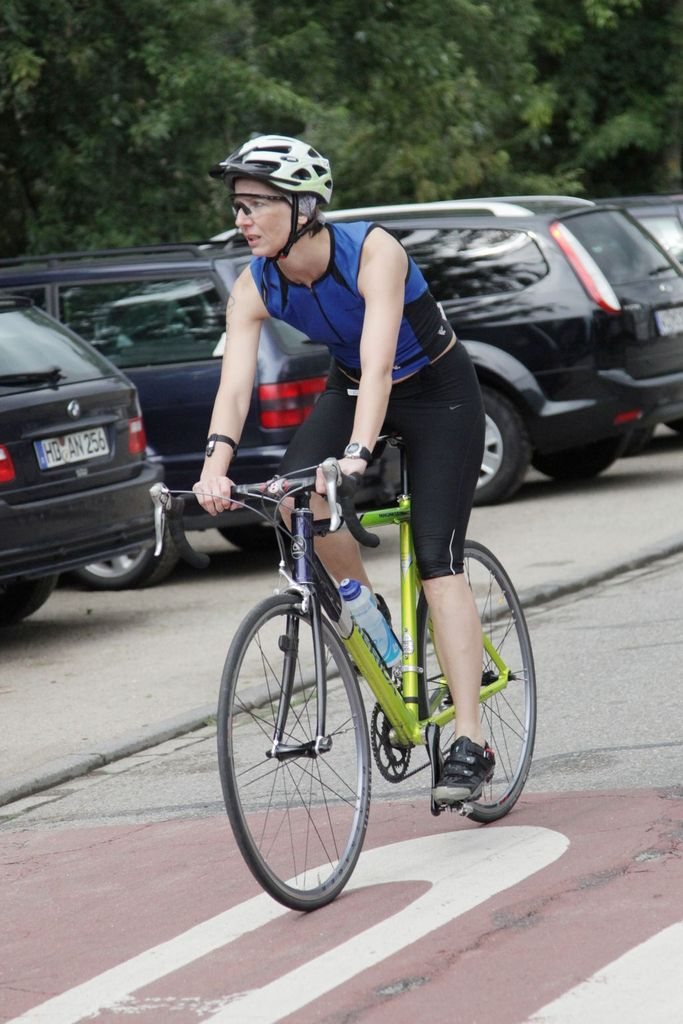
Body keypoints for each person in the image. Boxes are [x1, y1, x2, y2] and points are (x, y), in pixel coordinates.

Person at [193, 134, 494, 803]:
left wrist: (358, 453)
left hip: (439, 393)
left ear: (303, 207)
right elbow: (235, 388)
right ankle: (365, 609)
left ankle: (470, 741)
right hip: (352, 386)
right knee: (293, 500)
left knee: (438, 562)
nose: (241, 219)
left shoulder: (373, 250)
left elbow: (381, 362)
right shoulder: (256, 282)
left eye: (255, 204)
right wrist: (216, 466)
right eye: (237, 205)